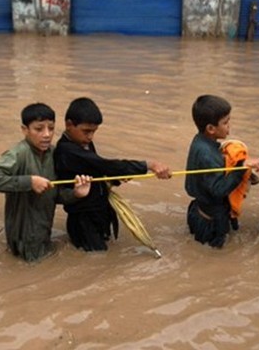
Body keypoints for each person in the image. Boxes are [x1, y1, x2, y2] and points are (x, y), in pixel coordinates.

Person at [53, 97, 172, 252]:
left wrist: (115, 178)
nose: (90, 137)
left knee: (102, 251)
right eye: (86, 131)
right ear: (69, 125)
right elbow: (106, 165)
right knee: (97, 257)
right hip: (84, 219)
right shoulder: (67, 151)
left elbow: (97, 170)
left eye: (94, 131)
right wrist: (149, 165)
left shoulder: (83, 142)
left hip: (99, 210)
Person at [0, 103, 92, 262]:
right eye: (39, 129)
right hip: (23, 237)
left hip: (43, 232)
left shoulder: (53, 153)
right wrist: (29, 181)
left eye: (51, 128)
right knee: (31, 269)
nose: (46, 134)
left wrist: (75, 193)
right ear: (25, 130)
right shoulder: (18, 154)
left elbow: (55, 194)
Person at [185, 95, 259, 248]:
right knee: (216, 256)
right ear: (211, 129)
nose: (229, 126)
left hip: (200, 210)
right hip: (211, 222)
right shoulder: (207, 154)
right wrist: (241, 167)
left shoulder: (200, 141)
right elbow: (218, 190)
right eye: (225, 122)